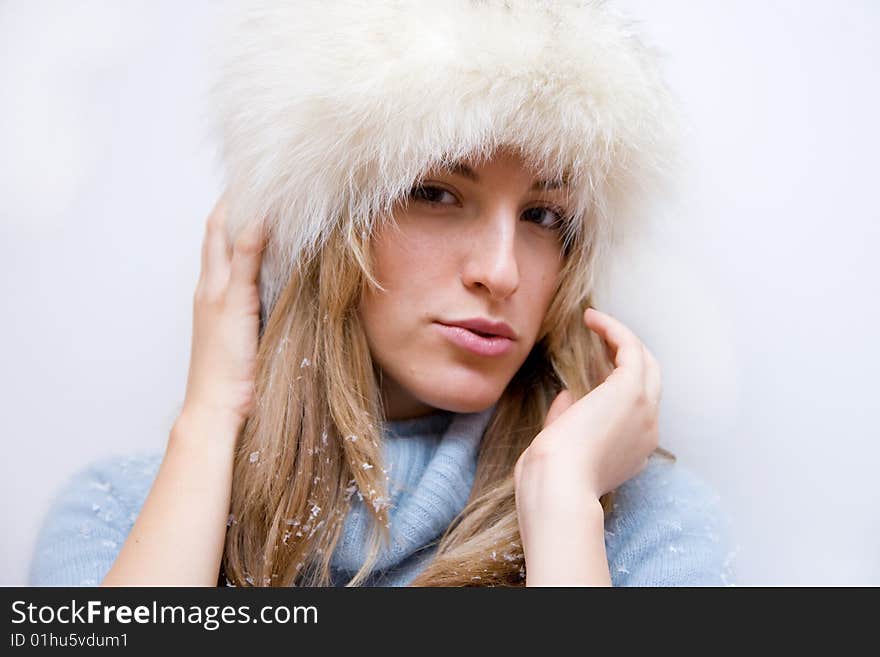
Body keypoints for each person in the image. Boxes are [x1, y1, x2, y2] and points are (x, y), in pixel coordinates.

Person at [28, 0, 737, 587]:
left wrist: (561, 505)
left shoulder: (643, 526)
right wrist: (211, 417)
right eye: (434, 192)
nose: (502, 271)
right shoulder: (120, 514)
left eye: (543, 216)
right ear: (323, 227)